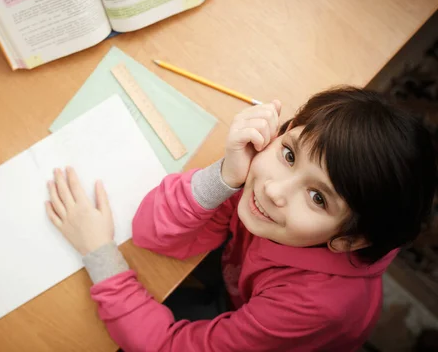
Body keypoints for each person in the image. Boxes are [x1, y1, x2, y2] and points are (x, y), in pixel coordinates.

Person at [45, 86, 436, 351]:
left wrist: (99, 253)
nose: (274, 190)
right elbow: (153, 235)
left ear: (349, 240)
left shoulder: (314, 306)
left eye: (318, 197)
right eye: (289, 154)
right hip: (243, 285)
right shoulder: (265, 192)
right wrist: (224, 178)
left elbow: (168, 346)